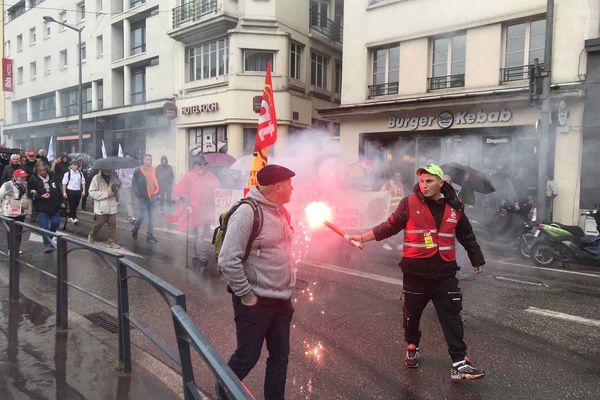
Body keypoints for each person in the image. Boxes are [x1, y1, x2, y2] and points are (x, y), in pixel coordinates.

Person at [349, 163, 486, 381]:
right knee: (411, 315)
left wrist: (476, 257)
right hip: (415, 274)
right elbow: (390, 226)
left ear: (441, 183)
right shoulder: (409, 203)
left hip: (445, 274)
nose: (424, 185)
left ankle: (459, 363)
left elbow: (466, 234)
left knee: (452, 316)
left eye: (430, 181)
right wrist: (363, 237)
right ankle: (412, 345)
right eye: (422, 181)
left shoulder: (455, 205)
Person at [217, 164, 296, 400]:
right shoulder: (247, 212)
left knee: (280, 358)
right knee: (247, 357)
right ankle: (222, 391)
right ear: (277, 186)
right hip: (256, 303)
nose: (293, 188)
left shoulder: (282, 211)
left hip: (282, 301)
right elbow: (228, 259)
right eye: (290, 184)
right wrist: (247, 296)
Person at [169, 156, 220, 266]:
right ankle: (202, 256)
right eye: (200, 165)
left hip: (206, 211)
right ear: (195, 165)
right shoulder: (189, 176)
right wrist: (187, 205)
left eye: (204, 165)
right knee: (200, 234)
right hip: (193, 211)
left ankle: (195, 253)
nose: (202, 167)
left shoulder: (210, 176)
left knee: (200, 234)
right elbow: (181, 192)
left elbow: (218, 190)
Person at [28, 162, 62, 252]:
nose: (43, 172)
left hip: (54, 205)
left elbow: (58, 189)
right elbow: (30, 194)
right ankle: (47, 244)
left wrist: (62, 201)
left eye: (44, 170)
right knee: (44, 226)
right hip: (41, 207)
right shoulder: (33, 179)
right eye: (40, 171)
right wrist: (40, 196)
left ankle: (49, 238)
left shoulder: (52, 176)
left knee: (56, 223)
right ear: (37, 171)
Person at [88, 169, 121, 249]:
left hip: (112, 205)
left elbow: (118, 190)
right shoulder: (96, 178)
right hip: (101, 205)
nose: (108, 170)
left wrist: (116, 190)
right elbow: (92, 192)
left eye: (109, 169)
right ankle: (91, 235)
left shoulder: (114, 178)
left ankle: (111, 242)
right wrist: (106, 194)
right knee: (99, 224)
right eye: (105, 169)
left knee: (113, 224)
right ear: (102, 169)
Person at [0, 169, 31, 254]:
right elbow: (0, 196)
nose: (23, 179)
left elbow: (25, 196)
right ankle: (11, 250)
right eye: (21, 177)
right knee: (11, 232)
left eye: (24, 177)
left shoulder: (25, 184)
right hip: (9, 213)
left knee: (19, 232)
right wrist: (1, 210)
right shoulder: (6, 185)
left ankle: (16, 249)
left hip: (21, 212)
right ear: (15, 177)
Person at [131, 154, 159, 243]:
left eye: (150, 160)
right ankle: (135, 229)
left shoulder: (154, 170)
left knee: (152, 217)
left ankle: (149, 235)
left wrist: (157, 193)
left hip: (153, 197)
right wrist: (139, 196)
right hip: (143, 198)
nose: (149, 161)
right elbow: (134, 185)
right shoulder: (138, 171)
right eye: (147, 159)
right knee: (143, 215)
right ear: (143, 160)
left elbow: (157, 182)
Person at [380, 171, 405, 251]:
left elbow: (402, 196)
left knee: (400, 227)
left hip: (398, 210)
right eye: (397, 176)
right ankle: (385, 243)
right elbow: (380, 196)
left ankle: (399, 244)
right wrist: (387, 192)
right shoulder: (387, 185)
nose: (399, 178)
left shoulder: (400, 185)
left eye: (400, 176)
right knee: (388, 227)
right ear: (393, 177)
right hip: (389, 211)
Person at [117, 155, 137, 222]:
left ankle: (130, 215)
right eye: (126, 158)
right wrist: (128, 182)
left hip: (133, 186)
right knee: (129, 201)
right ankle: (132, 216)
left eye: (129, 158)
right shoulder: (122, 167)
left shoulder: (134, 166)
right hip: (126, 186)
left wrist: (133, 182)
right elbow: (120, 177)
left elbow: (136, 175)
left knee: (132, 201)